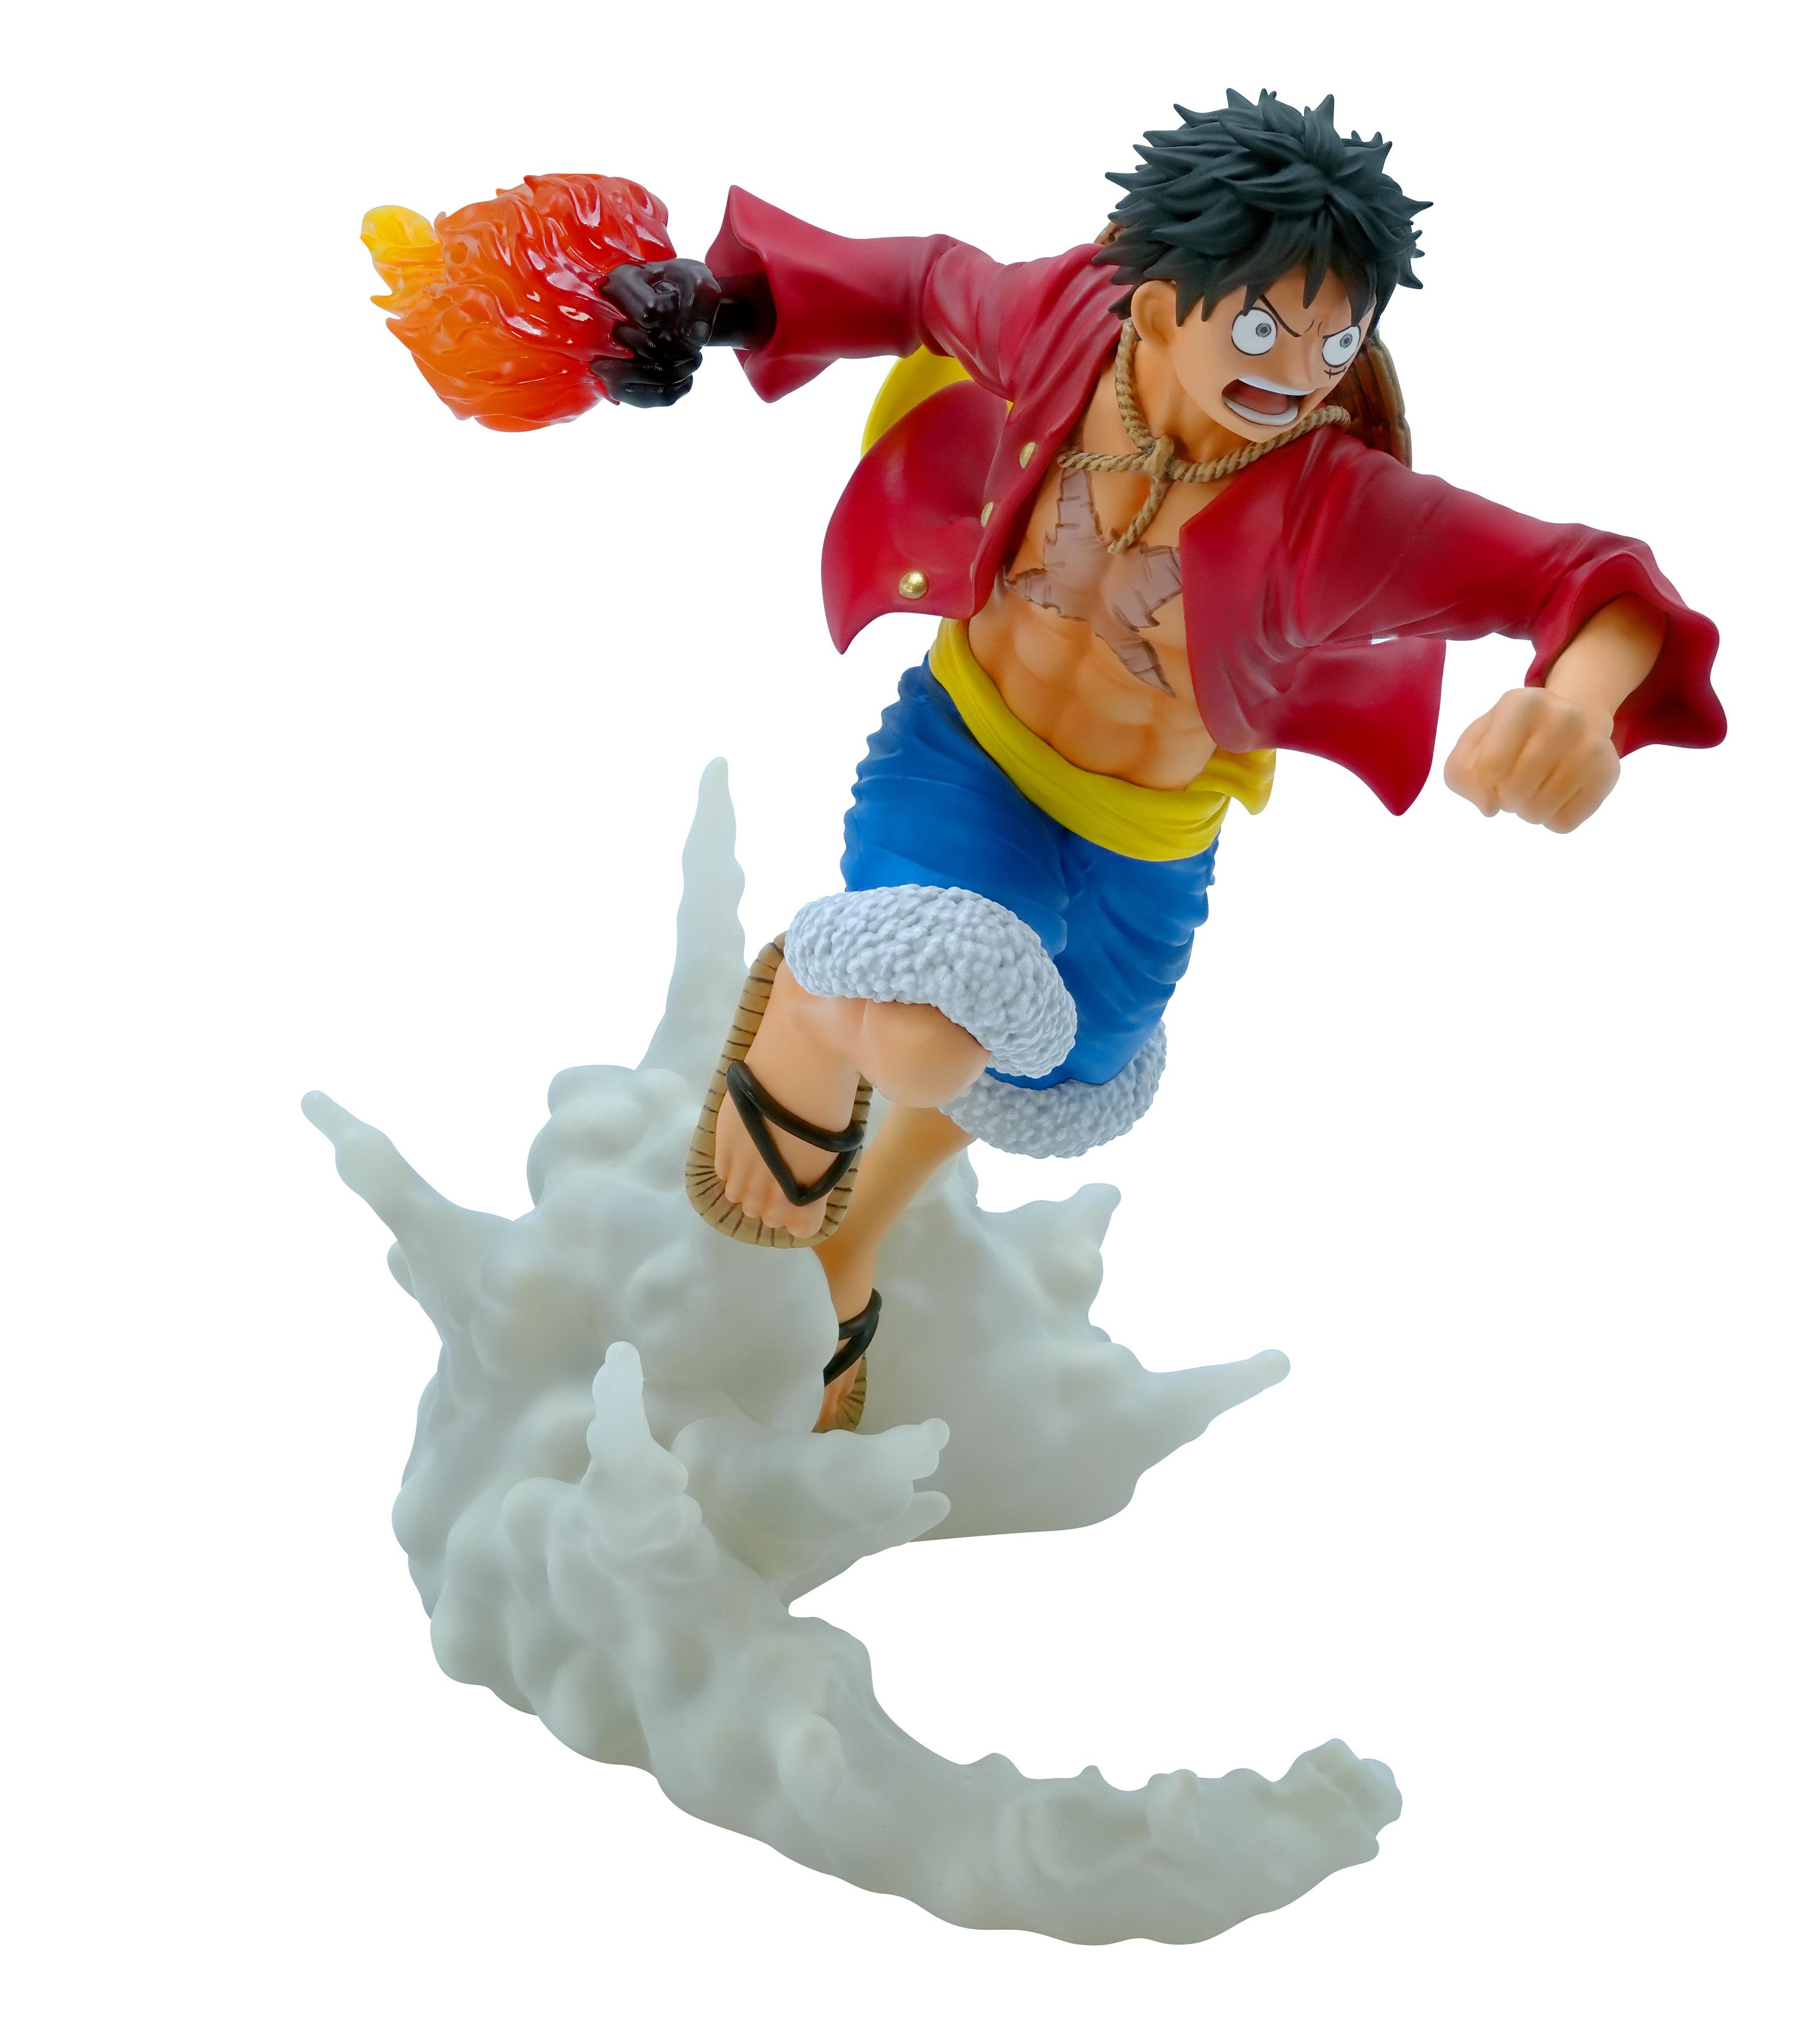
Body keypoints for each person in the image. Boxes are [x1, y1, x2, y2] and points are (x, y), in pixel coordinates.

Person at [595, 90, 1725, 1431]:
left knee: (1056, 1076)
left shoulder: (1341, 510)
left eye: (1335, 336)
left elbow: (1585, 577)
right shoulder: (1065, 327)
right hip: (967, 754)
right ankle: (818, 995)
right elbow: (915, 283)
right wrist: (714, 305)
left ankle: (854, 1236)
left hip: (1149, 835)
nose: (1297, 369)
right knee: (924, 1038)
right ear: (1154, 298)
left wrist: (1578, 705)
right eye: (1259, 326)